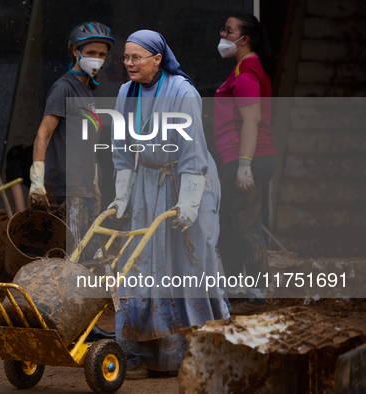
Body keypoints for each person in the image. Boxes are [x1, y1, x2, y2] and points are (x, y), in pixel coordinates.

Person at [108, 30, 230, 379]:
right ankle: (146, 353)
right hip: (148, 183)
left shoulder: (183, 92)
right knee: (145, 264)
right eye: (126, 58)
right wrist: (121, 195)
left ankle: (200, 352)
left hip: (187, 182)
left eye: (137, 58)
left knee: (191, 265)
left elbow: (193, 152)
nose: (129, 64)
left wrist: (189, 204)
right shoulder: (125, 92)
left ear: (158, 59)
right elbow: (121, 149)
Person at [27, 21, 115, 341]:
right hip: (67, 187)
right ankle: (76, 327)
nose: (97, 58)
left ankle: (74, 323)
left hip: (83, 186)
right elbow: (43, 133)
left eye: (102, 54)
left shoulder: (87, 89)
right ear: (75, 52)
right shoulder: (63, 87)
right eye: (90, 52)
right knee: (75, 259)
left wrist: (94, 182)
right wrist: (37, 181)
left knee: (82, 256)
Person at [214, 13, 276, 314]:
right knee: (234, 224)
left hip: (248, 156)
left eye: (229, 31)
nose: (223, 35)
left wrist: (244, 165)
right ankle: (243, 289)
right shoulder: (243, 68)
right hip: (239, 156)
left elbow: (251, 121)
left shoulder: (247, 74)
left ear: (245, 38)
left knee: (247, 225)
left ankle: (256, 294)